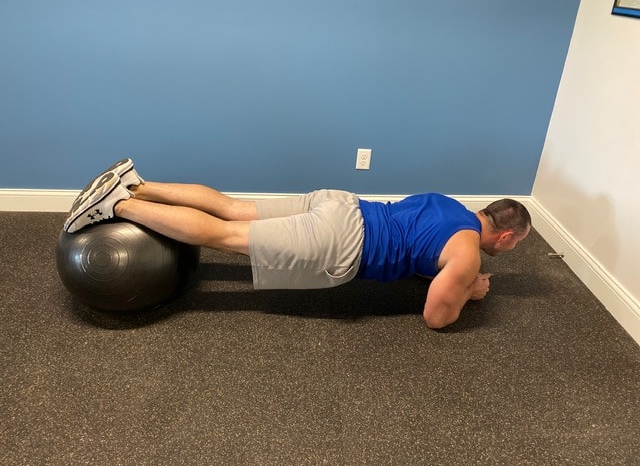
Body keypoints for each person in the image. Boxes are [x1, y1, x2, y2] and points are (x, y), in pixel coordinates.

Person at [64, 158, 531, 329]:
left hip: (340, 205)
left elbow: (422, 246)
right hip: (341, 241)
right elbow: (435, 317)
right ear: (506, 235)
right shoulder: (468, 254)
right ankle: (117, 206)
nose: (511, 251)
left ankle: (136, 185)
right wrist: (469, 291)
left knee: (230, 208)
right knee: (225, 236)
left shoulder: (449, 204)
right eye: (516, 245)